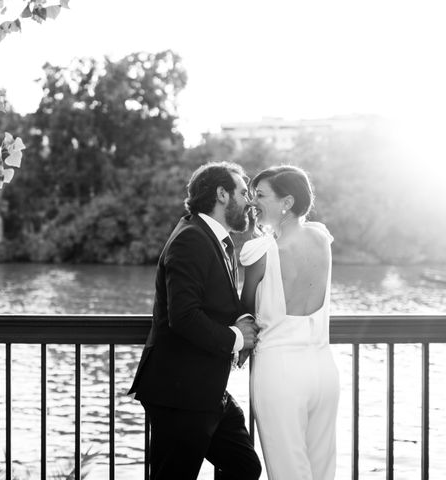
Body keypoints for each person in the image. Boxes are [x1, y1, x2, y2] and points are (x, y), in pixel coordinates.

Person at [128, 161, 262, 480]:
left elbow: (214, 302)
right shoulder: (191, 239)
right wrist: (238, 338)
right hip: (179, 392)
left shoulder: (215, 239)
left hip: (205, 388)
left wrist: (242, 318)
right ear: (221, 194)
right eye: (243, 192)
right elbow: (184, 316)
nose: (250, 200)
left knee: (245, 466)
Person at [240, 165, 339, 480]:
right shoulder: (321, 238)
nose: (253, 203)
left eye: (260, 195)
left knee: (288, 472)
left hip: (280, 371)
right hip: (324, 369)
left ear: (286, 202)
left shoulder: (260, 251)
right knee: (322, 469)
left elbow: (244, 311)